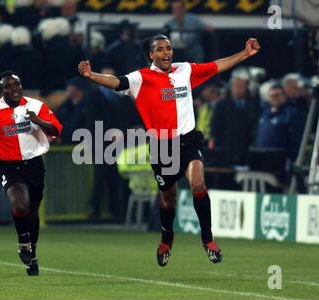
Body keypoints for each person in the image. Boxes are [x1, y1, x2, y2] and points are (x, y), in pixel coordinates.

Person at [78, 34, 260, 266]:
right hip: (163, 146)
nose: (167, 53)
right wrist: (91, 75)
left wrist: (244, 53)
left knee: (197, 183)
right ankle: (166, 237)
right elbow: (116, 81)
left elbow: (216, 66)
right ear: (151, 54)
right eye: (161, 49)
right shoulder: (140, 78)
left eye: (169, 48)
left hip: (188, 140)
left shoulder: (184, 70)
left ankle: (208, 239)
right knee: (168, 200)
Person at [0, 71, 62, 276]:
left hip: (34, 164)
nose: (14, 90)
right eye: (8, 87)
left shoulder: (36, 106)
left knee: (33, 213)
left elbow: (56, 131)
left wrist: (38, 121)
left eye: (17, 85)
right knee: (20, 203)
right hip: (8, 165)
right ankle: (23, 240)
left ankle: (32, 254)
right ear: (1, 91)